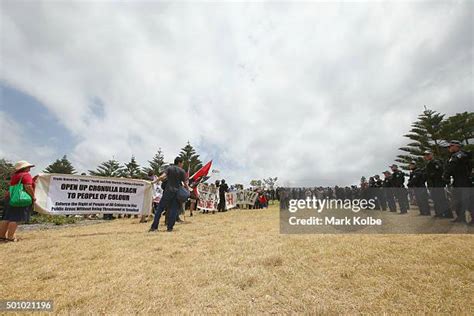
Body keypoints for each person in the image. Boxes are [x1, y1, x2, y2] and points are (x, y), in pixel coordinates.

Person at [149, 157, 188, 232]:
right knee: (174, 210)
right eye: (182, 163)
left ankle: (154, 227)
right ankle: (170, 228)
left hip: (168, 191)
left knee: (160, 209)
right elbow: (185, 183)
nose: (182, 165)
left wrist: (154, 182)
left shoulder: (169, 168)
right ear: (179, 163)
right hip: (176, 193)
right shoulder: (182, 171)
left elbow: (162, 176)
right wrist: (187, 190)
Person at [0, 161, 36, 242]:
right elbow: (28, 186)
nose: (30, 168)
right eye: (28, 167)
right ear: (24, 168)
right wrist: (33, 196)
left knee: (6, 217)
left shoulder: (15, 176)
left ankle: (1, 236)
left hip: (10, 198)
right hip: (19, 199)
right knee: (15, 218)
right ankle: (10, 237)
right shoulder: (26, 175)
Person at [443, 140, 473, 224]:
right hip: (457, 180)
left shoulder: (460, 155)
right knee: (457, 200)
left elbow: (451, 166)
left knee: (469, 201)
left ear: (457, 146)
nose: (449, 148)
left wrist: (446, 175)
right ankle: (460, 217)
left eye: (451, 146)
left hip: (464, 181)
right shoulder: (454, 156)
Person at [423, 150, 452, 218]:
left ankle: (448, 214)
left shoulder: (436, 162)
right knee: (435, 199)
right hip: (432, 184)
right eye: (425, 155)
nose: (426, 156)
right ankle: (439, 213)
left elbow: (440, 171)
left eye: (428, 154)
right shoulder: (428, 164)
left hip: (438, 183)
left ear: (432, 154)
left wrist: (432, 175)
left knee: (442, 199)